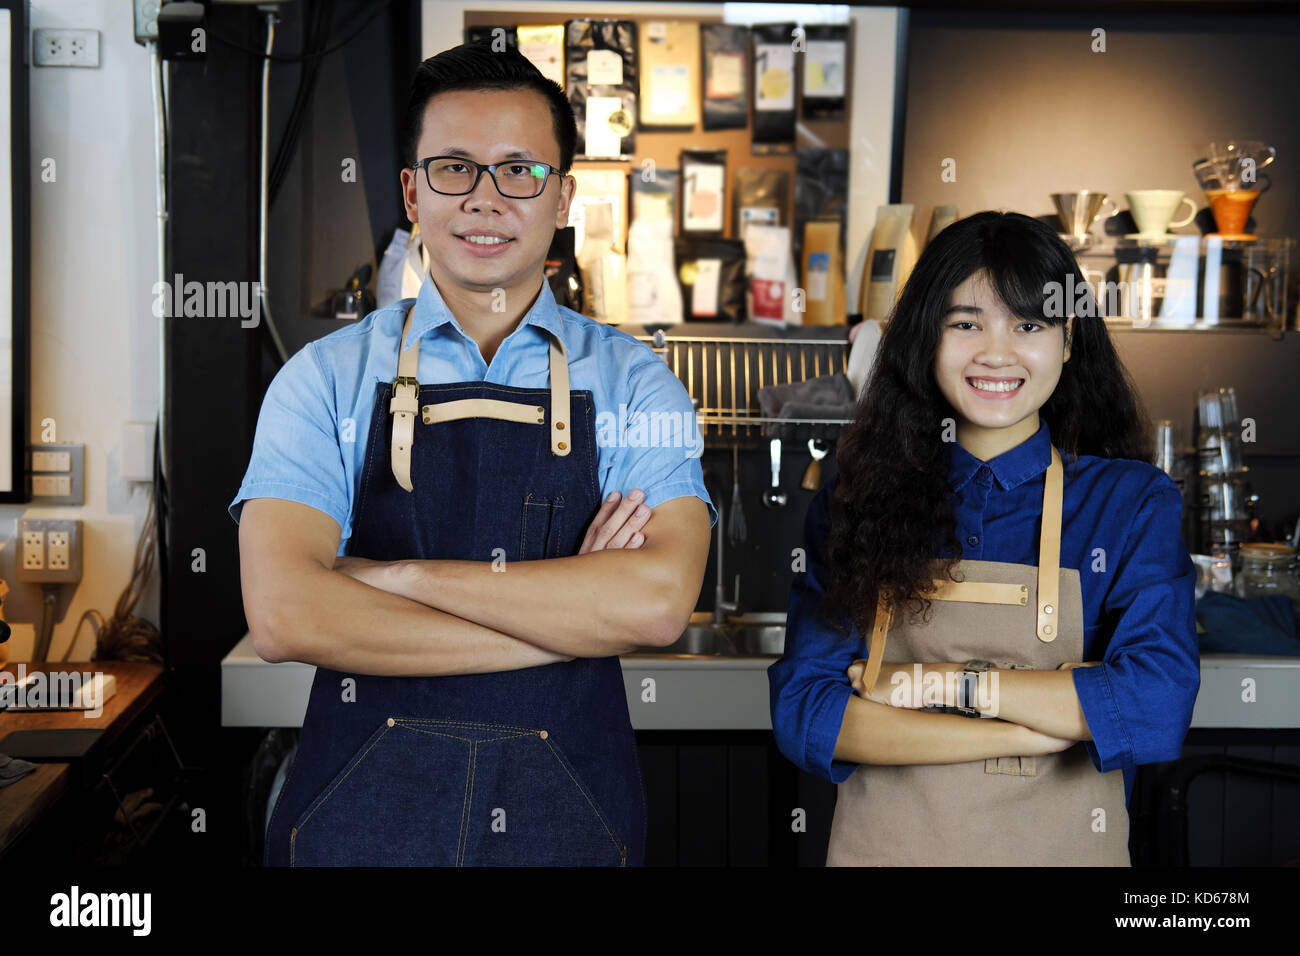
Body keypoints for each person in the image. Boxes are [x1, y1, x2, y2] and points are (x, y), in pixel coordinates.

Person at [230, 41, 715, 867]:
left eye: (519, 171)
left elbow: (659, 602)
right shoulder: (322, 379)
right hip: (357, 827)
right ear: (413, 192)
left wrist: (391, 575)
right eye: (454, 168)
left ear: (564, 197)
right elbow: (285, 614)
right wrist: (571, 622)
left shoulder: (639, 385)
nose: (485, 200)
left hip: (569, 828)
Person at [769, 211, 1199, 866]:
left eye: (1028, 325)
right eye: (966, 323)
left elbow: (1156, 702)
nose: (996, 353)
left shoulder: (1130, 502)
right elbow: (808, 713)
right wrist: (1038, 728)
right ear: (925, 338)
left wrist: (933, 686)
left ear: (1068, 339)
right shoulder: (855, 496)